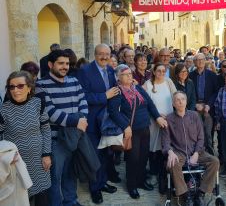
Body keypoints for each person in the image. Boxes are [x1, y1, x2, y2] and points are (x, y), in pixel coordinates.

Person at [36, 49, 88, 206]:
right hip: (55, 140)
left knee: (70, 173)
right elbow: (49, 112)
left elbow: (83, 102)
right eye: (61, 63)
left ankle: (71, 201)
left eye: (66, 63)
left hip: (75, 136)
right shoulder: (41, 85)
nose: (65, 66)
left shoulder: (74, 81)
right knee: (55, 177)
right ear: (51, 64)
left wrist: (82, 119)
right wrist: (76, 122)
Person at [107, 64, 167, 199]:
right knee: (133, 159)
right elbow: (113, 112)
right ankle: (132, 185)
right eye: (126, 74)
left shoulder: (138, 88)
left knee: (143, 157)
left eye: (130, 73)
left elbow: (150, 103)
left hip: (145, 128)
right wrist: (125, 126)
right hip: (131, 130)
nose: (129, 76)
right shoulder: (117, 91)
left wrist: (157, 117)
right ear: (118, 77)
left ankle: (140, 181)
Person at [1, 71, 51, 206]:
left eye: (20, 86)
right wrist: (6, 158)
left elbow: (46, 130)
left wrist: (46, 154)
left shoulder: (38, 104)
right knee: (22, 199)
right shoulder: (3, 110)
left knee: (43, 199)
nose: (15, 90)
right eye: (11, 87)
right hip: (17, 163)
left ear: (29, 88)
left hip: (39, 161)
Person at [77, 44, 119, 204]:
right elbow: (83, 96)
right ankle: (95, 188)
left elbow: (114, 91)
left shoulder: (110, 70)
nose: (104, 57)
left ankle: (102, 182)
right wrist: (104, 96)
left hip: (108, 121)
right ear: (95, 55)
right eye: (101, 54)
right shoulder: (85, 71)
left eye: (107, 54)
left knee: (106, 154)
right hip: (93, 121)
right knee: (93, 156)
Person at [161, 91, 220, 206]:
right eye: (177, 100)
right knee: (173, 163)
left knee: (215, 161)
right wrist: (170, 152)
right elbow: (165, 141)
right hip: (179, 152)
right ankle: (185, 195)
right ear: (173, 103)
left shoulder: (194, 115)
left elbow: (201, 138)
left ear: (186, 101)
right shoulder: (168, 119)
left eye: (183, 99)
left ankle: (201, 193)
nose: (180, 101)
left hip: (197, 151)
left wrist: (197, 153)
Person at [143, 63, 176, 187]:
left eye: (163, 71)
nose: (161, 73)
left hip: (169, 120)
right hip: (153, 120)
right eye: (159, 71)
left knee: (166, 146)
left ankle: (164, 174)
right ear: (154, 71)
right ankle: (153, 173)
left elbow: (176, 97)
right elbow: (143, 102)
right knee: (153, 148)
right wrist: (156, 115)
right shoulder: (148, 84)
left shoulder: (169, 82)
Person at [189, 53, 219, 155]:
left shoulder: (212, 75)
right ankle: (198, 155)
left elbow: (216, 92)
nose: (200, 61)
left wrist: (209, 105)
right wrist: (195, 105)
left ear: (205, 60)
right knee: (196, 133)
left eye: (202, 59)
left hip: (208, 109)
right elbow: (189, 93)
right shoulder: (191, 75)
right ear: (194, 62)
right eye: (197, 60)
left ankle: (210, 156)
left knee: (208, 134)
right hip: (196, 108)